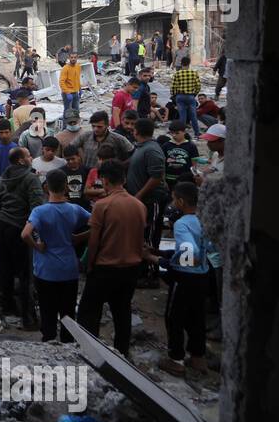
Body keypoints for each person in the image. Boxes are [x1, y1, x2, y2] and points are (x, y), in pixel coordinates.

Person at [77, 160, 149, 357]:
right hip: (131, 267)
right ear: (124, 179)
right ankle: (122, 354)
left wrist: (89, 264)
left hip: (105, 267)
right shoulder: (139, 205)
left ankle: (91, 353)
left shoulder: (102, 205)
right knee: (122, 313)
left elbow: (94, 241)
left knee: (88, 313)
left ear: (104, 181)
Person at [23, 169, 90, 343]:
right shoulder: (75, 209)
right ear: (66, 187)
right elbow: (97, 224)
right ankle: (68, 346)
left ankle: (50, 344)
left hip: (46, 270)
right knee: (68, 312)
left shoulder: (39, 211)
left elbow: (25, 234)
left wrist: (37, 246)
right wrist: (79, 237)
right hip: (68, 269)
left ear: (46, 188)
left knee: (47, 311)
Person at [157, 181, 213, 376]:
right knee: (196, 316)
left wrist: (168, 262)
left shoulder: (182, 224)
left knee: (174, 318)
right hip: (203, 276)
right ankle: (198, 358)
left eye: (174, 199)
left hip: (185, 277)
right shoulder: (204, 219)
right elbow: (211, 247)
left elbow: (191, 251)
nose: (173, 202)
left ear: (180, 201)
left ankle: (176, 359)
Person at [0, 147, 45, 325]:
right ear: (21, 161)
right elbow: (37, 208)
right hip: (21, 229)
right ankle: (28, 317)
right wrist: (36, 234)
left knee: (6, 268)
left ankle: (7, 307)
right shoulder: (31, 179)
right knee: (25, 275)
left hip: (3, 226)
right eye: (29, 156)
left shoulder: (1, 179)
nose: (32, 157)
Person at [126, 118, 169, 286]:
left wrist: (138, 195)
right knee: (142, 236)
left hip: (151, 201)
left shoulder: (152, 150)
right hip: (142, 201)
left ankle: (151, 276)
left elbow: (156, 177)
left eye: (134, 128)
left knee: (150, 237)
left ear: (137, 131)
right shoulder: (142, 147)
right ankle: (142, 270)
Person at [171, 56, 203, 137]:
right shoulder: (194, 73)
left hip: (180, 96)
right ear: (189, 64)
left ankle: (182, 134)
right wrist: (194, 94)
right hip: (190, 96)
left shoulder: (177, 73)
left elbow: (173, 87)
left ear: (181, 63)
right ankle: (197, 133)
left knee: (182, 116)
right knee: (193, 115)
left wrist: (174, 95)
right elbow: (198, 86)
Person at [161, 120, 195, 194]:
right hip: (169, 178)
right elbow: (162, 163)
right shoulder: (166, 145)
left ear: (184, 132)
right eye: (172, 133)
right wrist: (163, 180)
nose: (174, 135)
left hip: (185, 180)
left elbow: (194, 164)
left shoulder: (191, 146)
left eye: (177, 133)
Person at [61, 144, 92, 210]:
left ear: (78, 156)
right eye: (68, 160)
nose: (70, 161)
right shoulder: (61, 172)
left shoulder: (87, 170)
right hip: (68, 207)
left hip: (84, 206)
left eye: (73, 159)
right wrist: (59, 197)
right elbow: (49, 185)